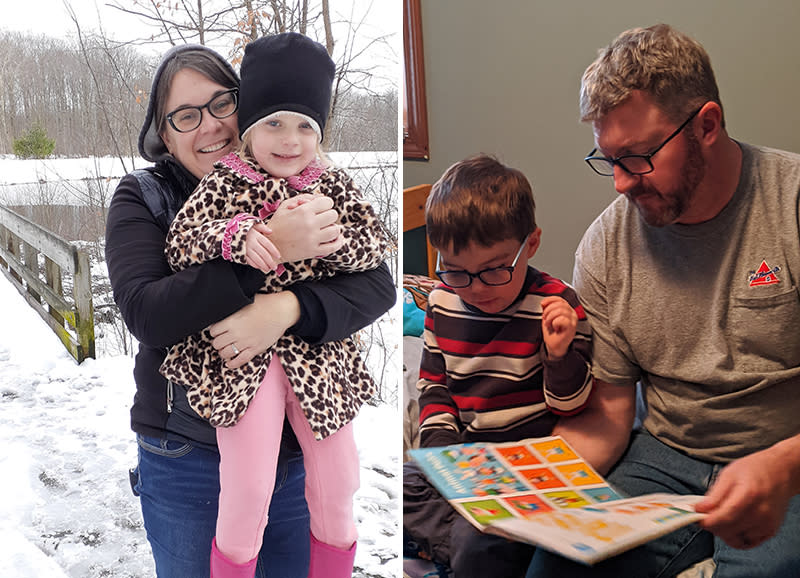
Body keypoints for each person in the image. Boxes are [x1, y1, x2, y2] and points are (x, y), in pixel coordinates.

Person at [104, 42, 395, 578]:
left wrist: (288, 308)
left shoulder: (312, 180)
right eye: (186, 115)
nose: (210, 126)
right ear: (163, 132)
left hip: (296, 452)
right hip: (185, 454)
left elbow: (376, 284)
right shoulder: (145, 198)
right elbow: (146, 313)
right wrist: (269, 249)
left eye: (221, 104)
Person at [526, 23, 800, 578]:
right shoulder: (605, 247)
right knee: (552, 566)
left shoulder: (790, 204)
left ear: (707, 125)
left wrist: (785, 464)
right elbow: (609, 417)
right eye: (608, 159)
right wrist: (529, 483)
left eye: (638, 156)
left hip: (786, 455)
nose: (621, 184)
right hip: (665, 457)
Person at [403, 154, 593, 578]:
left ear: (532, 244)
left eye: (493, 271)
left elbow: (574, 407)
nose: (474, 289)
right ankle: (462, 543)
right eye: (455, 272)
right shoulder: (440, 301)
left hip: (521, 473)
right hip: (462, 463)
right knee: (396, 491)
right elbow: (434, 388)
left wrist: (560, 356)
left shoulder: (556, 306)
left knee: (481, 542)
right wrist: (441, 458)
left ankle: (465, 548)